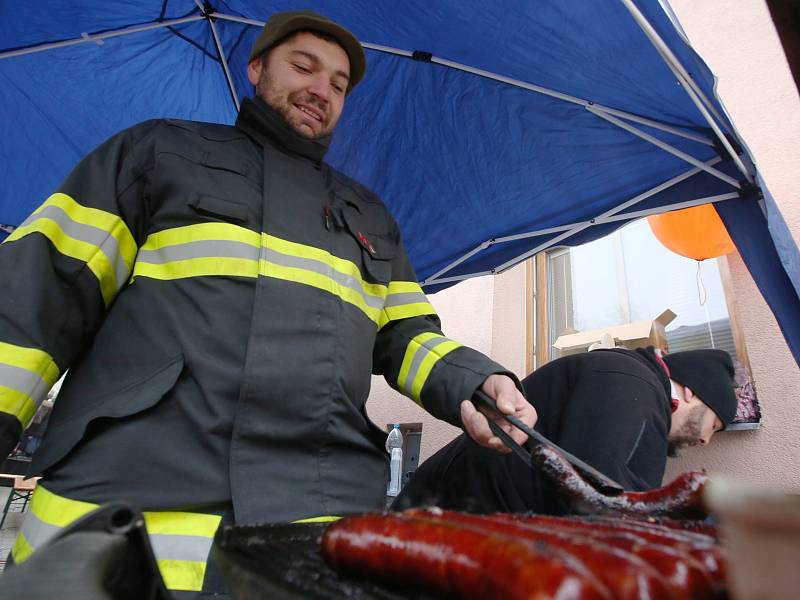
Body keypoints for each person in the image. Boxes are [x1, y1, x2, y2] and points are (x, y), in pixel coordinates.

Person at [0, 10, 534, 597]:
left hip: (314, 520)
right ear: (256, 69)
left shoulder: (370, 216)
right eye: (303, 66)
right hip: (124, 499)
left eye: (337, 84)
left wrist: (477, 381)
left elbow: (404, 335)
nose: (320, 90)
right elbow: (40, 292)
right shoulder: (158, 151)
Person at [393, 346, 738, 515]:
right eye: (714, 424)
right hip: (449, 530)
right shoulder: (637, 389)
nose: (706, 440)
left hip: (447, 519)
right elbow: (613, 518)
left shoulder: (626, 377)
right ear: (691, 391)